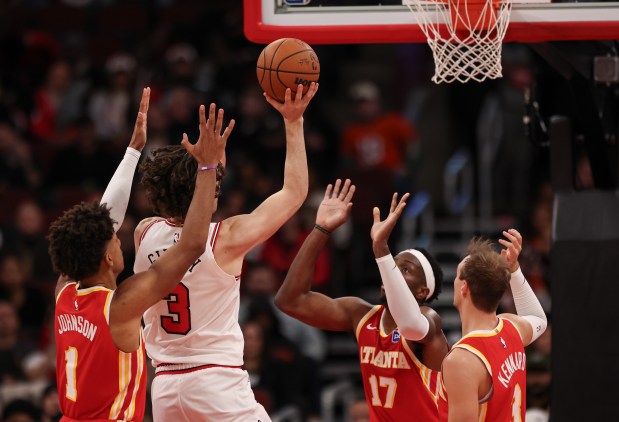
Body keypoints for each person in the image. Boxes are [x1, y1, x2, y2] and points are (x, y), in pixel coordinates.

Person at [133, 82, 318, 421]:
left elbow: (191, 206)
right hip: (215, 383)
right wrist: (294, 122)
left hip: (164, 387)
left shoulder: (144, 232)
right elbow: (294, 192)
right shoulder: (226, 237)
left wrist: (205, 169)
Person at [49, 85, 232, 421]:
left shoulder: (64, 292)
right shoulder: (119, 306)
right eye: (115, 241)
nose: (121, 239)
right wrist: (206, 170)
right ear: (106, 258)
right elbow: (192, 245)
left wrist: (134, 150)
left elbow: (100, 222)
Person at [275, 179, 449, 421]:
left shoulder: (429, 320)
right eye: (392, 266)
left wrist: (381, 249)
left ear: (422, 292)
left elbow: (410, 323)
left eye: (404, 270)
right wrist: (320, 230)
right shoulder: (360, 314)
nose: (392, 273)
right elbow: (289, 300)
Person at [438, 229, 548, 421]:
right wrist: (514, 269)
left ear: (464, 287)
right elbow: (538, 319)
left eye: (457, 276)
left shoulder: (462, 360)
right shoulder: (512, 327)